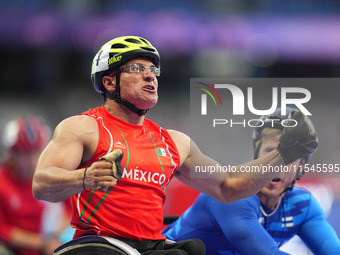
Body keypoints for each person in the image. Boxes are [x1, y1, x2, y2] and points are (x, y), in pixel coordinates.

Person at [32, 36, 318, 255]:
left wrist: (287, 153)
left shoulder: (174, 142)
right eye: (136, 68)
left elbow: (229, 186)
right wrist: (85, 177)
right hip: (102, 245)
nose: (150, 75)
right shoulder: (84, 127)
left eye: (153, 70)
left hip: (151, 247)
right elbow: (42, 184)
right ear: (109, 82)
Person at [163, 108, 340, 255]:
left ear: (301, 168)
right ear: (255, 157)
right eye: (271, 152)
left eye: (289, 158)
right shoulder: (231, 198)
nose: (277, 166)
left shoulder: (302, 205)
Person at [0, 116, 71, 255]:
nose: (32, 160)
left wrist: (56, 237)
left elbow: (71, 208)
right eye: (25, 154)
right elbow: (3, 230)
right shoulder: (2, 183)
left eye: (36, 152)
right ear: (12, 153)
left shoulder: (54, 175)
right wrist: (44, 244)